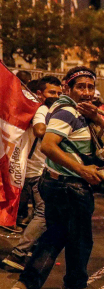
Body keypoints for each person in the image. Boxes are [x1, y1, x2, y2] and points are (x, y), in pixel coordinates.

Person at [9, 67, 104, 289]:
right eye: (80, 87)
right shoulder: (66, 112)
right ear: (68, 88)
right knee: (79, 240)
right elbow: (48, 145)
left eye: (90, 86)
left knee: (57, 236)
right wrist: (82, 170)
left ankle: (27, 286)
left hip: (64, 185)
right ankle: (72, 287)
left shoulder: (83, 112)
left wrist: (96, 117)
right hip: (68, 187)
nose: (87, 92)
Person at [2, 76, 62, 271]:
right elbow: (39, 130)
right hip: (37, 172)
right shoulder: (42, 110)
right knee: (44, 213)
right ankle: (18, 254)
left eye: (60, 93)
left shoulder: (44, 109)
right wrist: (61, 131)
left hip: (33, 171)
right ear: (39, 94)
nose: (57, 96)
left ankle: (29, 251)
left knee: (44, 214)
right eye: (52, 92)